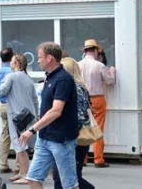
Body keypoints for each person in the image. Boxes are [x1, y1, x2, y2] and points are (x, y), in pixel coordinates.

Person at [19, 42, 79, 189]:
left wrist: (32, 129)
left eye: (40, 57)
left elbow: (56, 110)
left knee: (69, 185)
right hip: (45, 137)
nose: (38, 60)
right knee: (33, 178)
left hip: (61, 140)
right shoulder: (49, 77)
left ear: (50, 58)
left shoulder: (63, 79)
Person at [53, 57, 94, 189]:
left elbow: (78, 115)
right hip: (82, 135)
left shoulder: (72, 87)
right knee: (71, 174)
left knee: (65, 175)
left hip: (73, 136)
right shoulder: (82, 87)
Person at [0, 53, 39, 185]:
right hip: (29, 115)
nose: (10, 63)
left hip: (17, 115)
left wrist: (3, 81)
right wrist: (37, 115)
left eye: (12, 61)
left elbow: (2, 92)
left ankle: (25, 174)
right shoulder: (28, 78)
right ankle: (22, 172)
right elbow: (35, 99)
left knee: (20, 146)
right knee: (23, 145)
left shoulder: (10, 76)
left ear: (17, 63)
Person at [78, 39, 116, 168]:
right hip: (97, 99)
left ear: (85, 51)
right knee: (98, 129)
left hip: (82, 99)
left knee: (84, 129)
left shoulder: (78, 65)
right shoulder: (99, 66)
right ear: (95, 50)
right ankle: (98, 159)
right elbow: (110, 81)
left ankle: (82, 158)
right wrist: (112, 71)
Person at [0, 47, 14, 173]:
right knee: (18, 134)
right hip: (13, 105)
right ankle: (19, 165)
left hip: (3, 104)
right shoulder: (13, 72)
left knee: (5, 135)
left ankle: (3, 163)